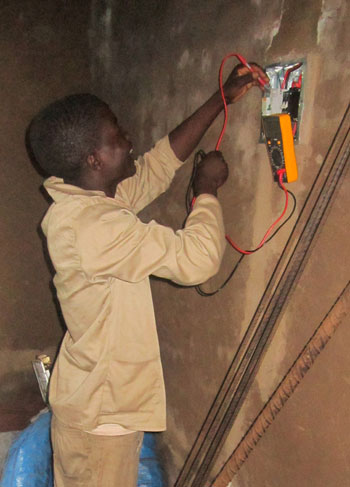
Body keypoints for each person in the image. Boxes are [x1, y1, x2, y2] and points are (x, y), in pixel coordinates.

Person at [27, 62, 267, 487]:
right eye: (118, 137)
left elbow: (156, 166)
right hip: (103, 421)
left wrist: (220, 100)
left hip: (96, 406)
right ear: (95, 159)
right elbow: (196, 261)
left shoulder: (88, 200)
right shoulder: (96, 229)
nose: (130, 141)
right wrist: (207, 191)